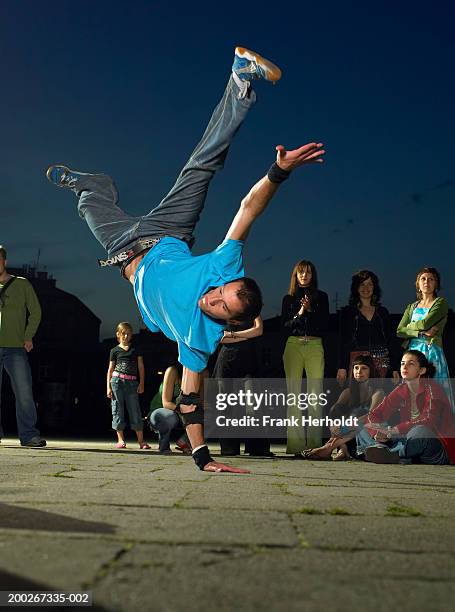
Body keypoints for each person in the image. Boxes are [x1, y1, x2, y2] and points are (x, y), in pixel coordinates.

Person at [46, 47, 325, 472]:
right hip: (169, 229)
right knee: (202, 164)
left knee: (89, 203)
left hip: (124, 249)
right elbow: (248, 209)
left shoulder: (199, 343)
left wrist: (201, 458)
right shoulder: (224, 268)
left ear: (227, 322)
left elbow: (191, 401)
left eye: (220, 306)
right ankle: (241, 80)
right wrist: (278, 172)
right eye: (218, 292)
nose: (210, 298)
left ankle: (92, 186)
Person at [356, 350, 455, 464]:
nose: (405, 367)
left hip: (437, 448)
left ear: (422, 370)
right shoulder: (401, 390)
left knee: (420, 431)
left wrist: (394, 430)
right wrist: (378, 432)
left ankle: (390, 453)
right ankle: (382, 450)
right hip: (407, 442)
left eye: (411, 364)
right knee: (362, 425)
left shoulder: (433, 389)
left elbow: (429, 420)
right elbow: (375, 414)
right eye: (403, 363)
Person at [281, 260, 329, 453]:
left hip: (315, 345)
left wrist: (310, 310)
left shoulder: (322, 297)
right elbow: (285, 327)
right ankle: (296, 445)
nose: (304, 276)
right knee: (293, 395)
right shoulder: (289, 298)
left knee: (315, 395)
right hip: (294, 345)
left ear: (313, 275)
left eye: (308, 272)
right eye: (301, 272)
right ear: (296, 275)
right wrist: (300, 312)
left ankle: (315, 445)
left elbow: (325, 325)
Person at [0, 245, 46, 447]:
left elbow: (35, 312)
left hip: (15, 347)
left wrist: (28, 336)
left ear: (5, 262)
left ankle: (28, 435)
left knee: (24, 392)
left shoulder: (21, 284)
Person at [300, 354, 384, 460]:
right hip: (347, 440)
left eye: (364, 368)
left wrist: (345, 427)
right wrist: (341, 430)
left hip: (366, 436)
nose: (359, 371)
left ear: (371, 371)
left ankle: (328, 448)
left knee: (357, 415)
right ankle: (342, 449)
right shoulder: (348, 392)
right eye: (356, 368)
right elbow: (333, 415)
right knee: (337, 410)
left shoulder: (378, 392)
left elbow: (371, 418)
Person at [213, 316, 272, 456]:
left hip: (249, 363)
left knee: (253, 407)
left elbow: (258, 330)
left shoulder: (251, 308)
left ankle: (257, 448)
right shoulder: (223, 311)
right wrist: (247, 335)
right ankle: (229, 449)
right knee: (226, 408)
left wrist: (233, 335)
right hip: (227, 362)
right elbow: (220, 338)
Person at [397, 266, 454, 410]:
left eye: (431, 279)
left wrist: (410, 326)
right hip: (412, 353)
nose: (426, 282)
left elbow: (425, 322)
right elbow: (399, 331)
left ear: (436, 284)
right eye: (423, 278)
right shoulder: (412, 306)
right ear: (418, 283)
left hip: (431, 352)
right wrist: (420, 333)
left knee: (434, 394)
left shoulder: (440, 303)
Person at [337, 270, 399, 385]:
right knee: (357, 398)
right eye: (362, 284)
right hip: (358, 363)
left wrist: (394, 367)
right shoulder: (347, 312)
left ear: (374, 287)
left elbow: (391, 341)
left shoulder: (383, 312)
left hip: (381, 362)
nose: (366, 288)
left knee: (380, 399)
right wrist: (342, 367)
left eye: (370, 284)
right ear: (356, 287)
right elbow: (343, 341)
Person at [107, 322, 150, 449]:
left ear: (131, 335)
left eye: (128, 334)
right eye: (123, 334)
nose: (125, 336)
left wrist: (141, 383)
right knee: (117, 410)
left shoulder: (136, 350)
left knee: (135, 410)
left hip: (132, 384)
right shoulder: (114, 350)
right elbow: (110, 369)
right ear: (118, 335)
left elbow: (141, 367)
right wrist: (108, 387)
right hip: (116, 382)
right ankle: (121, 440)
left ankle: (141, 441)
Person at [148, 363, 192, 454]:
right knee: (168, 417)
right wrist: (185, 410)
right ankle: (164, 446)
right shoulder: (172, 371)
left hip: (186, 412)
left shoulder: (201, 372)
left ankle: (185, 441)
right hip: (163, 411)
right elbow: (166, 403)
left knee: (212, 417)